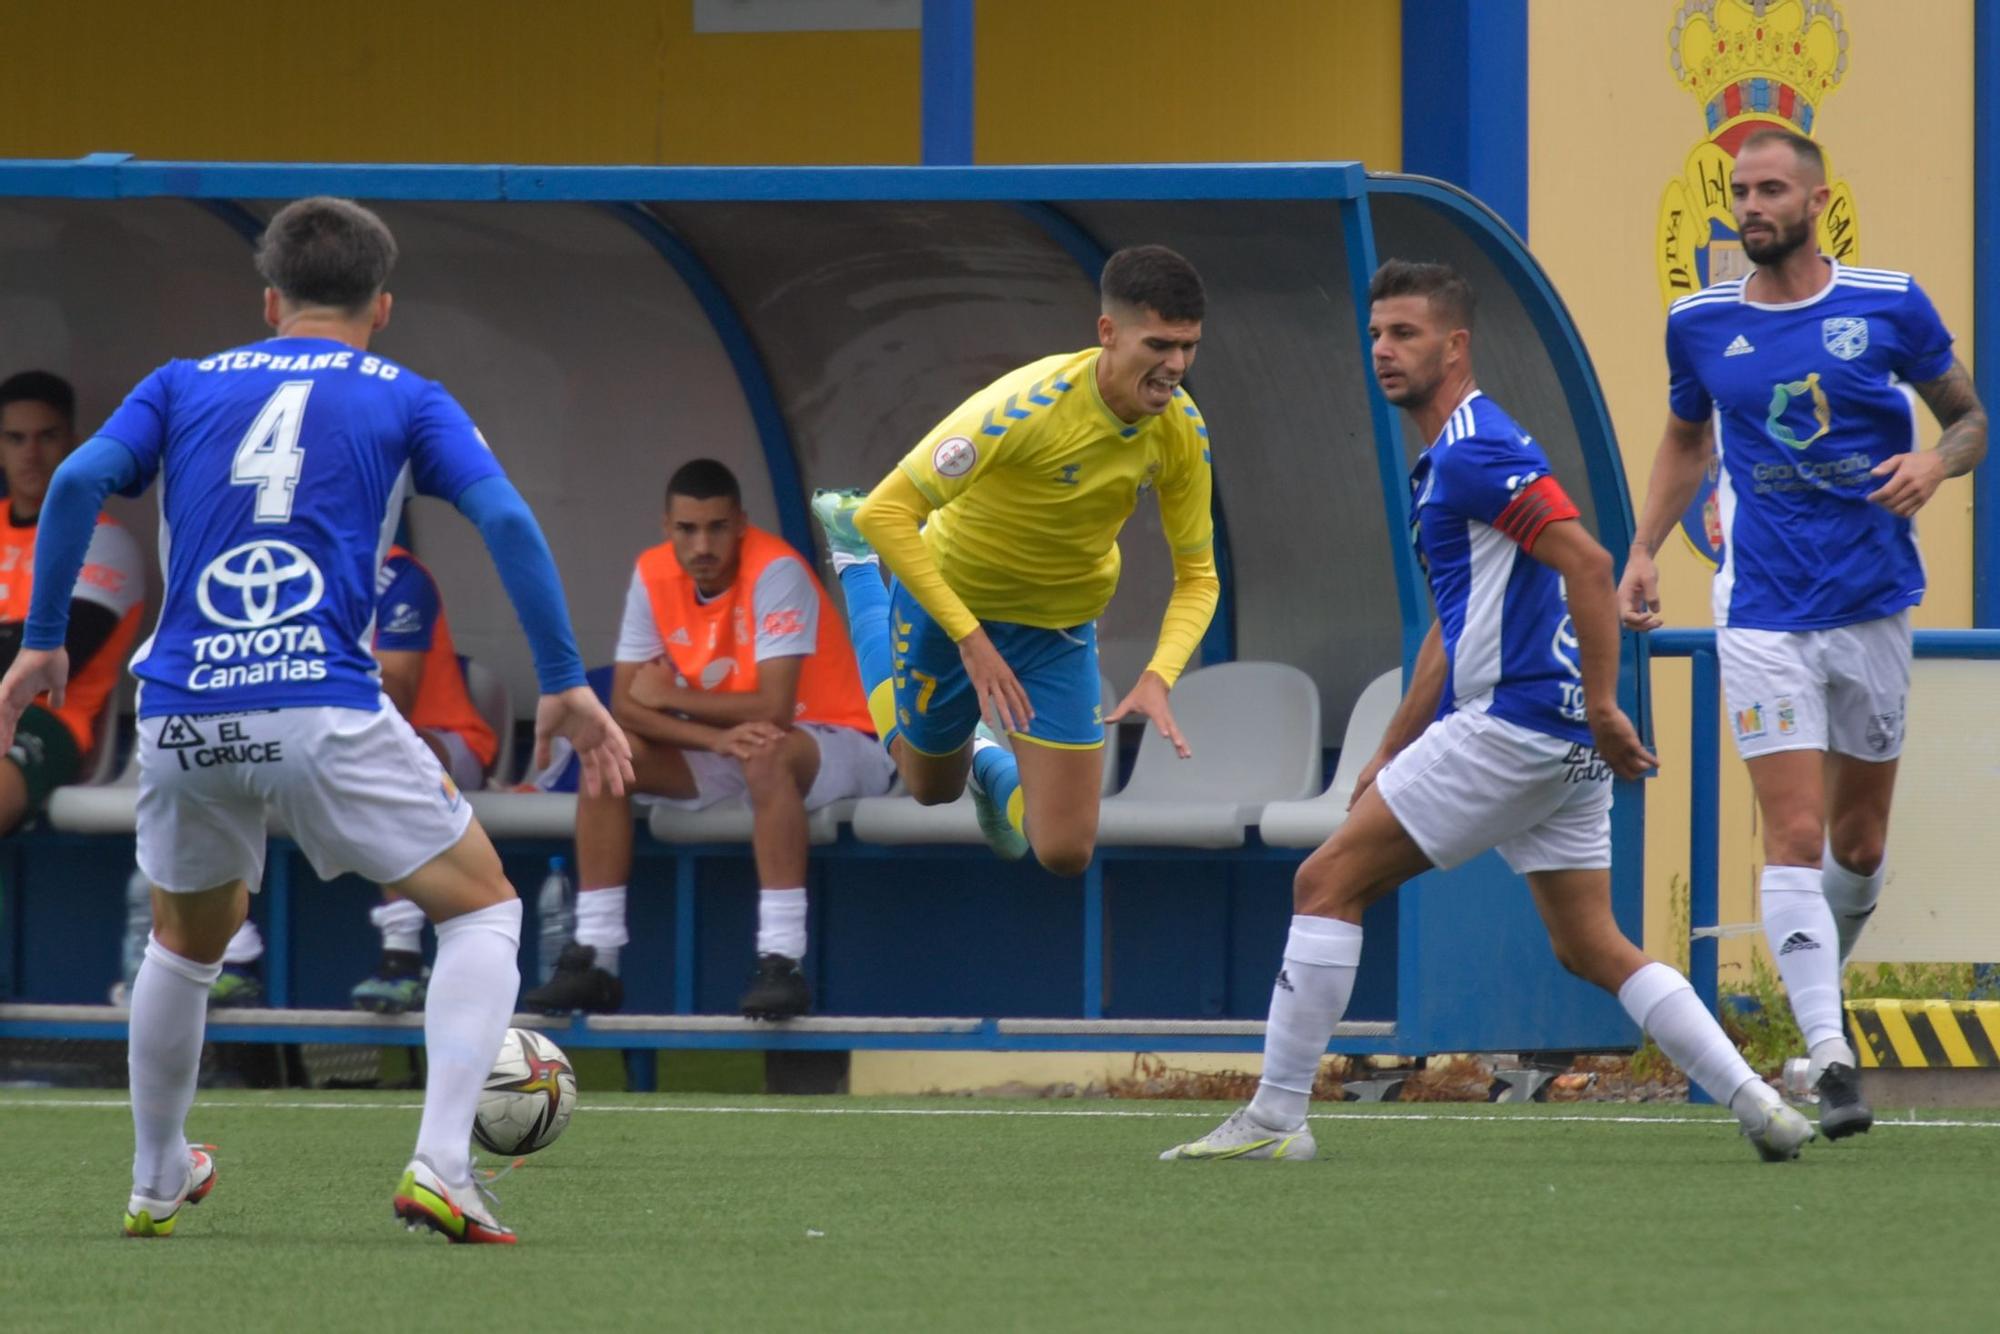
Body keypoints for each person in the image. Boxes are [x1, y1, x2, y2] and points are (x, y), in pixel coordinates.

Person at [0, 196, 631, 1244]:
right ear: (381, 305)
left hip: (185, 706)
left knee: (180, 944)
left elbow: (73, 478)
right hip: (318, 699)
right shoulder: (408, 394)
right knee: (481, 911)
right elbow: (506, 516)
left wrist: (40, 636)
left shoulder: (182, 380)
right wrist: (563, 676)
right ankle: (440, 1164)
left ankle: (157, 1175)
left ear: (268, 300)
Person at [1163, 259, 1815, 1164]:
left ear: (1456, 346)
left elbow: (1587, 565)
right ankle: (1760, 1107)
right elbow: (1450, 625)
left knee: (1324, 883)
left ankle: (1275, 1120)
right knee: (1591, 945)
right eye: (1378, 333)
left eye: (1406, 334)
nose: (1384, 351)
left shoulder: (1476, 448)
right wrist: (1392, 749)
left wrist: (1601, 704)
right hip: (1553, 743)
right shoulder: (1453, 454)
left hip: (1522, 726)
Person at [1618, 129, 1987, 1141]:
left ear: (1817, 200)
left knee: (1857, 844)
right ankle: (1828, 1056)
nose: (1750, 206)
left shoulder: (1884, 301)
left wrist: (1934, 465)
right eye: (1738, 190)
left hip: (1869, 603)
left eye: (1769, 188)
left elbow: (1966, 416)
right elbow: (1685, 438)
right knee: (1790, 830)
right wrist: (1642, 548)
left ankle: (1815, 1004)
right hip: (1760, 611)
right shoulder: (1696, 321)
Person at [811, 245, 1218, 874]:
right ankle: (857, 566)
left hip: (1055, 628)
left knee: (1063, 851)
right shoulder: (1024, 408)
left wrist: (1159, 676)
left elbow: (1199, 578)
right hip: (954, 605)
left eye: (1188, 347)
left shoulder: (1182, 431)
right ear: (1107, 333)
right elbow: (886, 512)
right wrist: (970, 640)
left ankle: (989, 770)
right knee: (927, 785)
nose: (1176, 366)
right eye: (1160, 345)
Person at [523, 459, 895, 1020]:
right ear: (666, 526)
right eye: (687, 529)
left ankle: (781, 958)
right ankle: (596, 960)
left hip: (842, 739)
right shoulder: (651, 574)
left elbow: (773, 707)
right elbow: (625, 705)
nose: (702, 545)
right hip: (736, 746)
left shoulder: (776, 569)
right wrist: (708, 737)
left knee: (767, 750)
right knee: (606, 750)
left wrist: (673, 698)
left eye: (717, 527)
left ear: (741, 524)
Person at [0, 371, 146, 832]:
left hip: (46, 722)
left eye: (47, 436)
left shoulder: (102, 539)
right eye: (15, 438)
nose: (31, 453)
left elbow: (38, 667)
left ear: (73, 444)